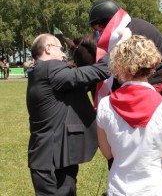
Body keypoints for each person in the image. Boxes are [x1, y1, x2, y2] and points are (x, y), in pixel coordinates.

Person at [96, 35, 162, 196]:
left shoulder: (104, 105)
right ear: (152, 65)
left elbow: (108, 153)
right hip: (159, 190)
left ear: (119, 65)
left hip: (119, 190)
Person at [26, 33, 110, 195]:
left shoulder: (40, 72)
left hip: (54, 156)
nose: (65, 54)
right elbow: (89, 73)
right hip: (51, 160)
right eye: (61, 48)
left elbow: (78, 85)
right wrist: (116, 50)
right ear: (48, 49)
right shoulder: (50, 68)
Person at [89, 0, 162, 107]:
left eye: (99, 30)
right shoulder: (132, 24)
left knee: (120, 107)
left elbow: (122, 69)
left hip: (159, 78)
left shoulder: (128, 34)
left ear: (103, 24)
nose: (100, 33)